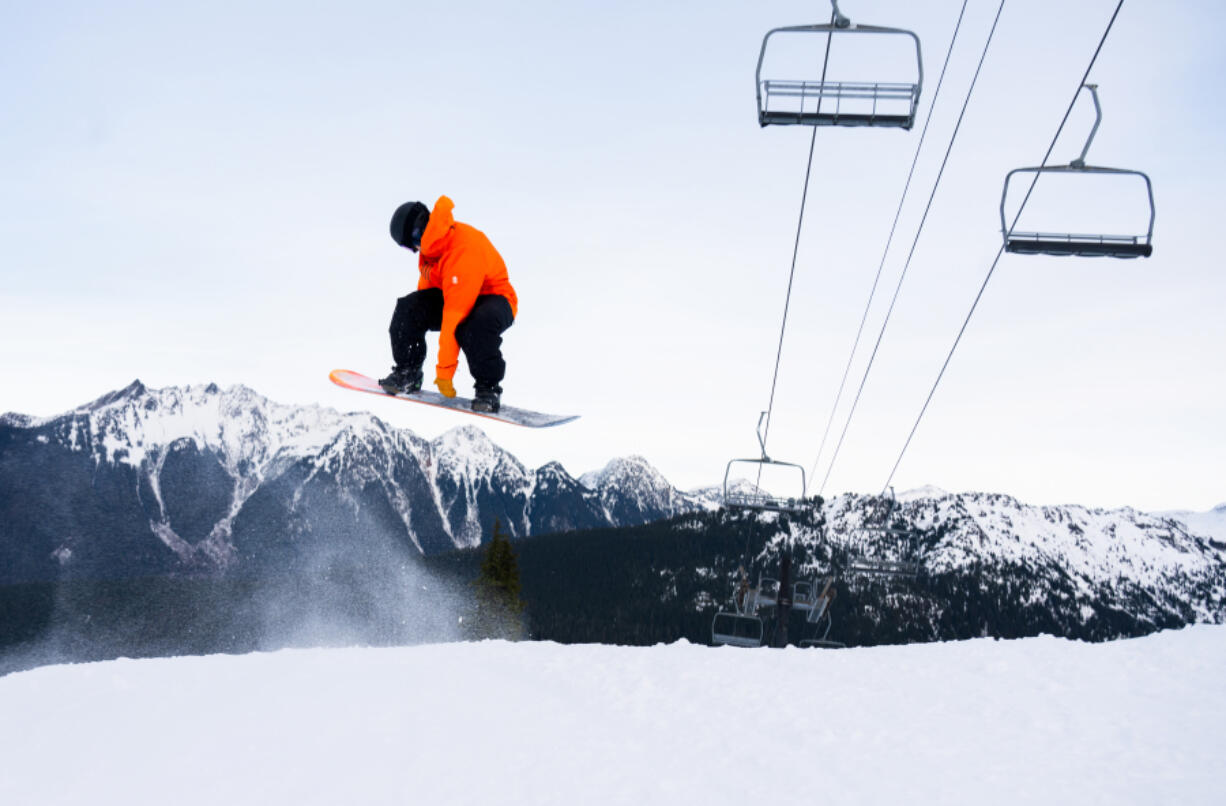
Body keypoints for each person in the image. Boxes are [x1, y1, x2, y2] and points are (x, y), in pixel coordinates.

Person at [381, 195, 518, 413]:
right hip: (457, 295)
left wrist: (444, 372)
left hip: (495, 298)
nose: (415, 250)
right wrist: (415, 321)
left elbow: (455, 317)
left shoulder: (462, 248)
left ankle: (488, 389)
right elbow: (425, 294)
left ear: (416, 233)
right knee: (408, 308)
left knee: (474, 327)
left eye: (411, 245)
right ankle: (408, 372)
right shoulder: (431, 249)